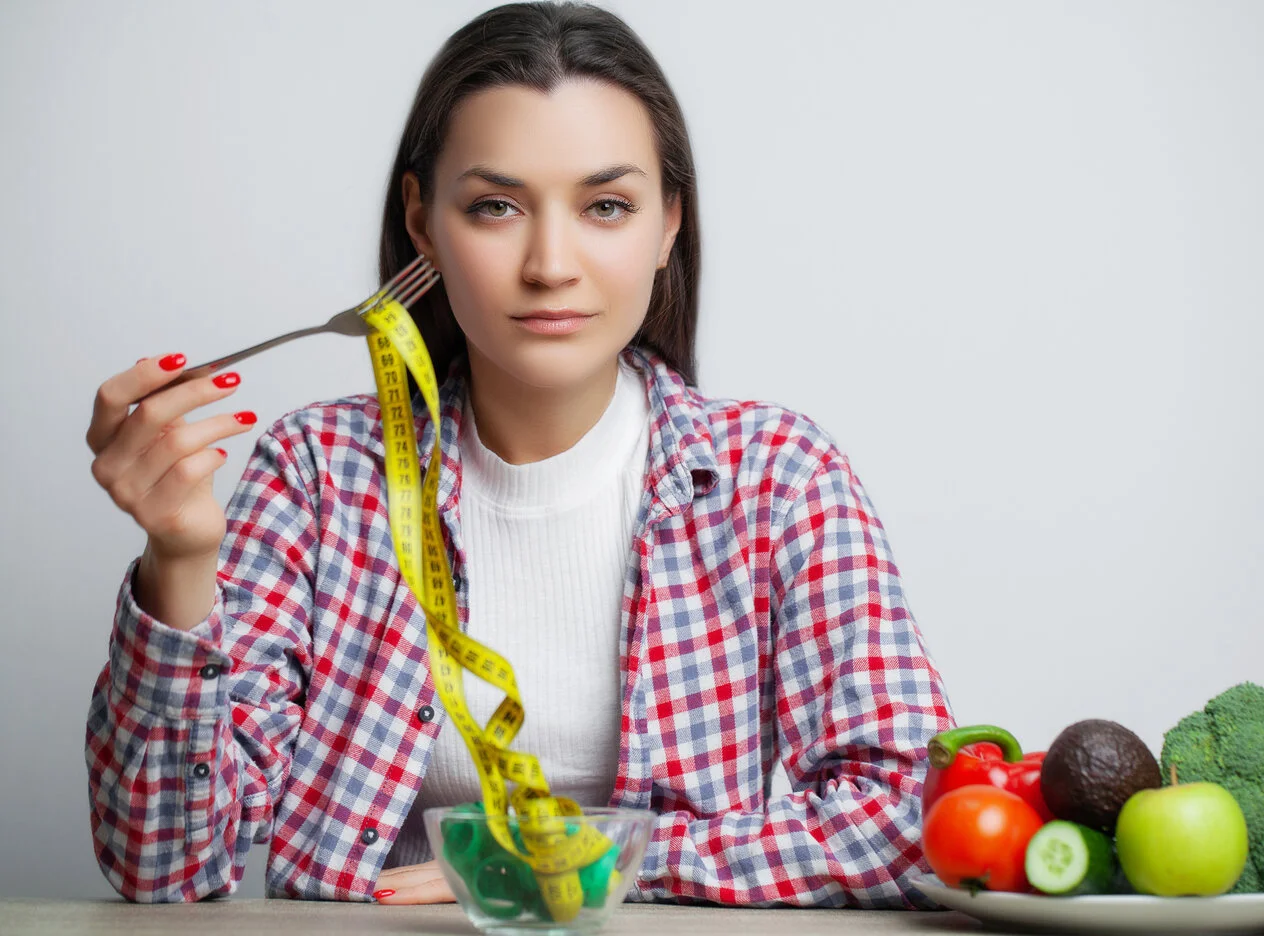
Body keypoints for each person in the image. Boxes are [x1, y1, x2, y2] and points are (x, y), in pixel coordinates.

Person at [84, 0, 954, 908]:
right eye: (495, 206)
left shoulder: (778, 478)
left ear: (667, 227)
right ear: (422, 221)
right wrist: (178, 565)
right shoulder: (317, 474)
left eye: (607, 206)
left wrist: (604, 860)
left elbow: (911, 823)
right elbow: (165, 870)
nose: (549, 263)